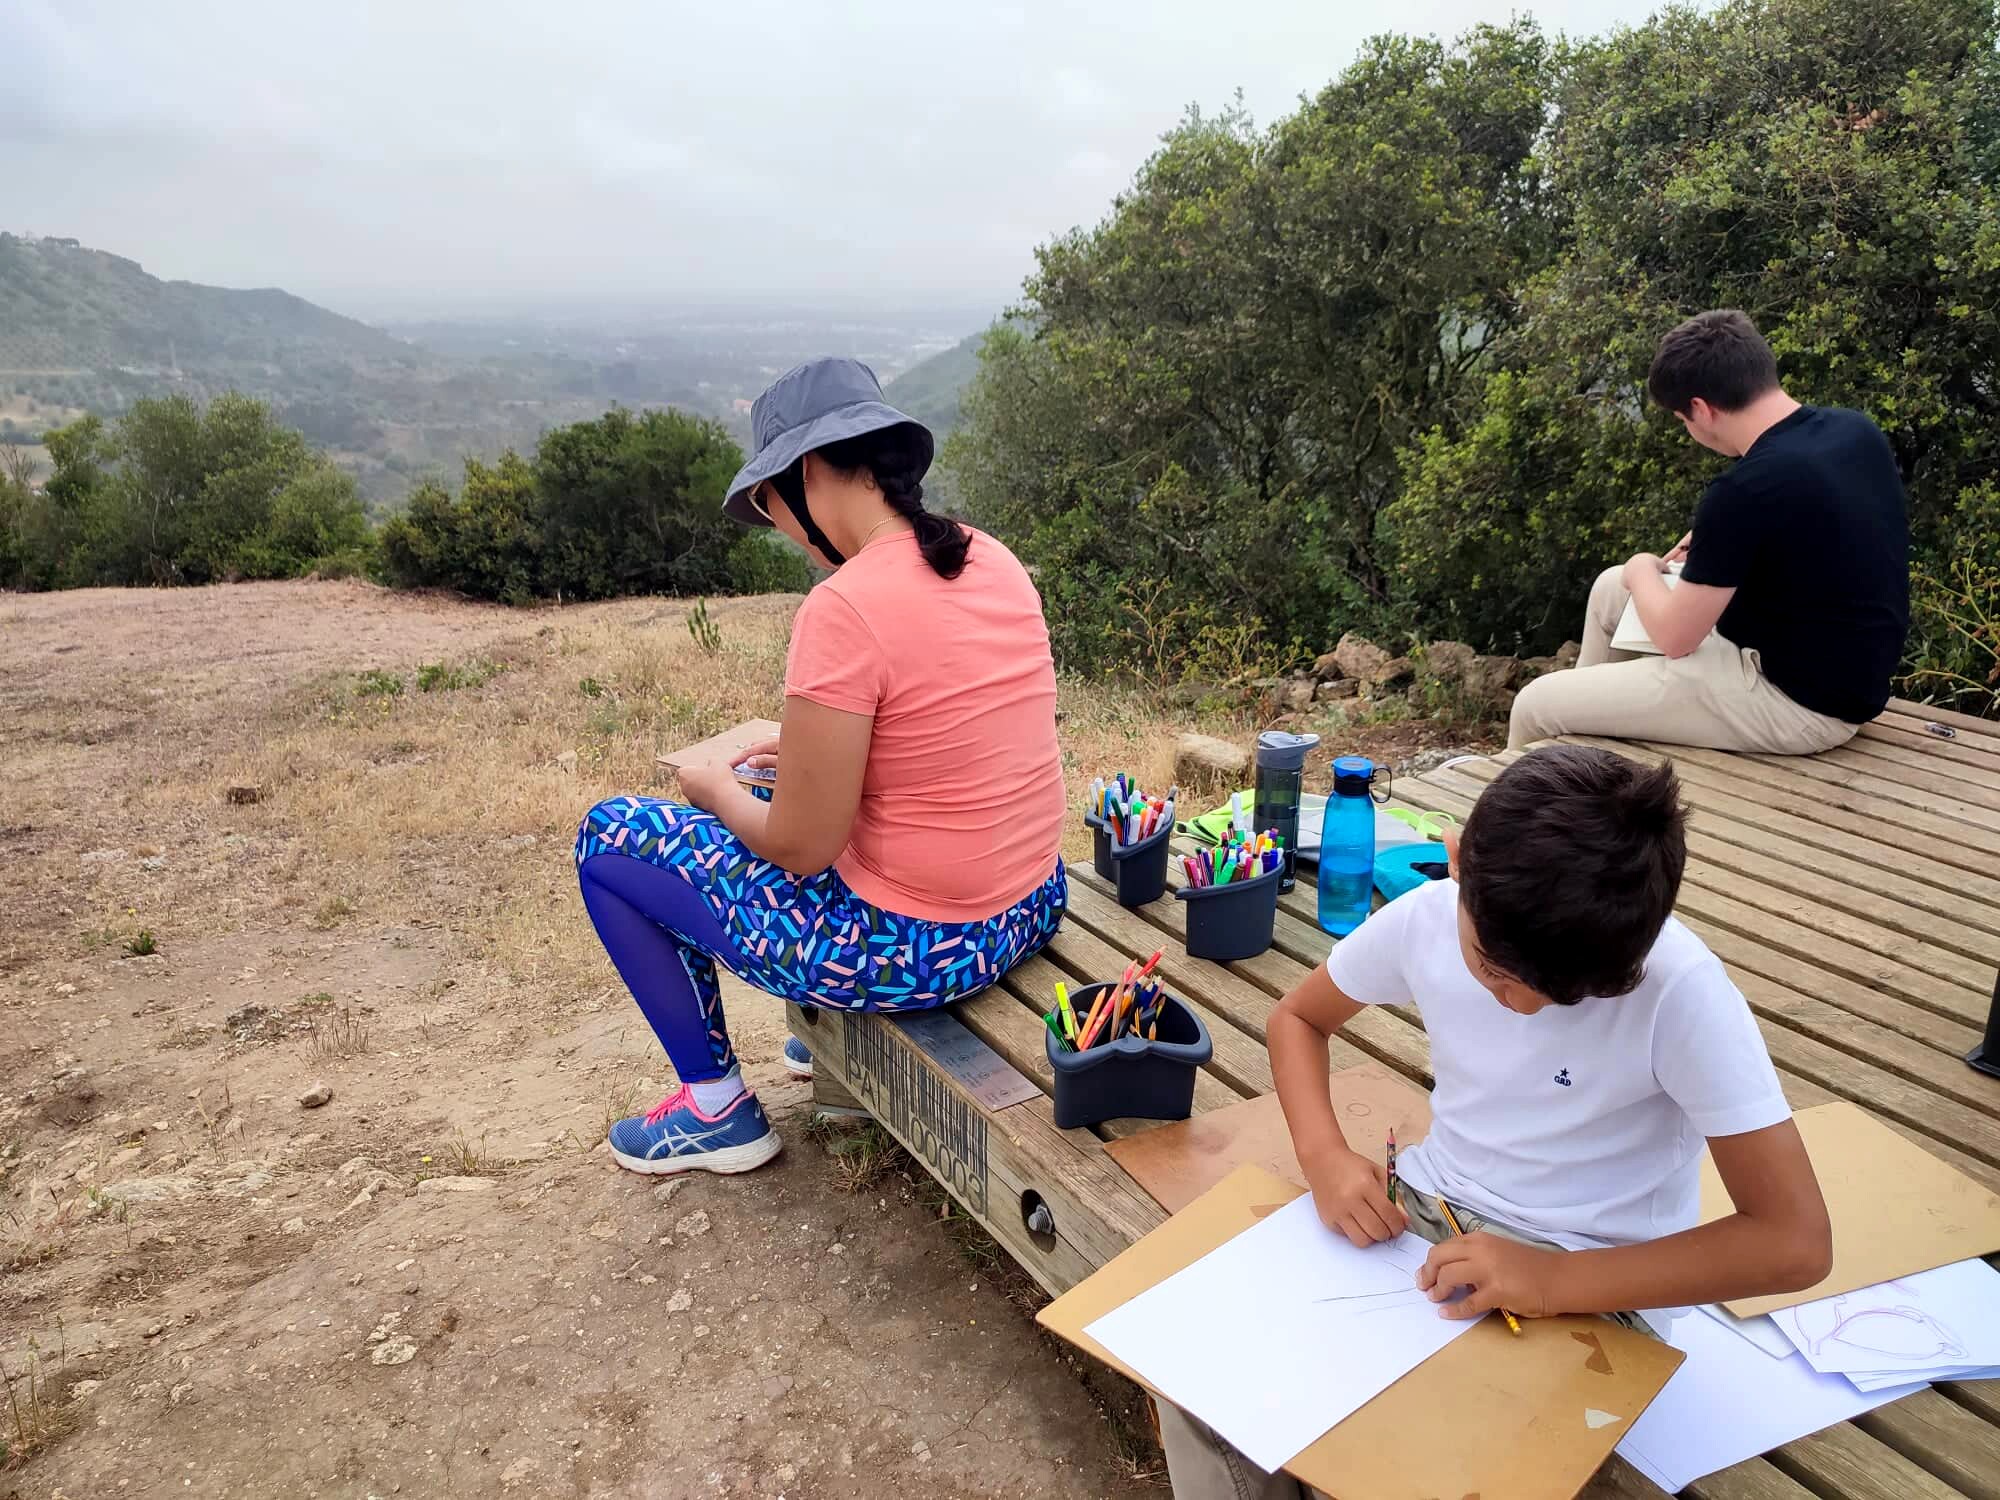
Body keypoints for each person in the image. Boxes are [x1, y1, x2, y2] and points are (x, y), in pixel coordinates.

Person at [1159, 745, 1832, 1499]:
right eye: (1495, 976)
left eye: (1557, 995)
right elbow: (1297, 1019)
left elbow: (1795, 1241)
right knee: (1204, 1385)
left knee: (1414, 1461)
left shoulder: (1682, 992)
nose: (1521, 1006)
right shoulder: (1427, 919)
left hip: (1598, 1281)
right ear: (1453, 862)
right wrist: (1322, 1155)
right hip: (1423, 1217)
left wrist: (1555, 1278)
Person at [575, 358, 1068, 1176]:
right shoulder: (990, 557)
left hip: (922, 948)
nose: (783, 531)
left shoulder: (844, 605)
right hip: (1026, 906)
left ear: (805, 475)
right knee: (777, 781)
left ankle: (714, 1109)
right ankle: (818, 1044)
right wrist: (800, 751)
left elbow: (801, 847)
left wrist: (717, 790)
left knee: (611, 839)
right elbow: (954, 729)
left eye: (771, 508)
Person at [1508, 309, 1909, 753]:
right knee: (1609, 590)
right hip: (1838, 670)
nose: (1688, 429)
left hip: (1798, 705)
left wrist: (1642, 568)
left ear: (1700, 408)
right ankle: (1580, 776)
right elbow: (1826, 522)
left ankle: (1512, 816)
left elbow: (1676, 639)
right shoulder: (1854, 431)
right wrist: (1718, 539)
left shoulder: (1743, 491)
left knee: (1536, 704)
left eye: (1683, 419)